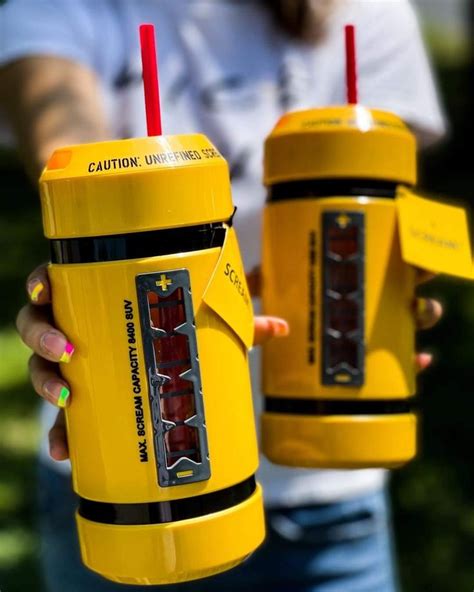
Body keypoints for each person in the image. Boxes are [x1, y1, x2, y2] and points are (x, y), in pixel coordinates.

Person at [0, 1, 444, 590]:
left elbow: (379, 198)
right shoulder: (65, 6)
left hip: (333, 498)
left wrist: (392, 300)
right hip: (132, 486)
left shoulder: (367, 10)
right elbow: (63, 140)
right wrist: (100, 248)